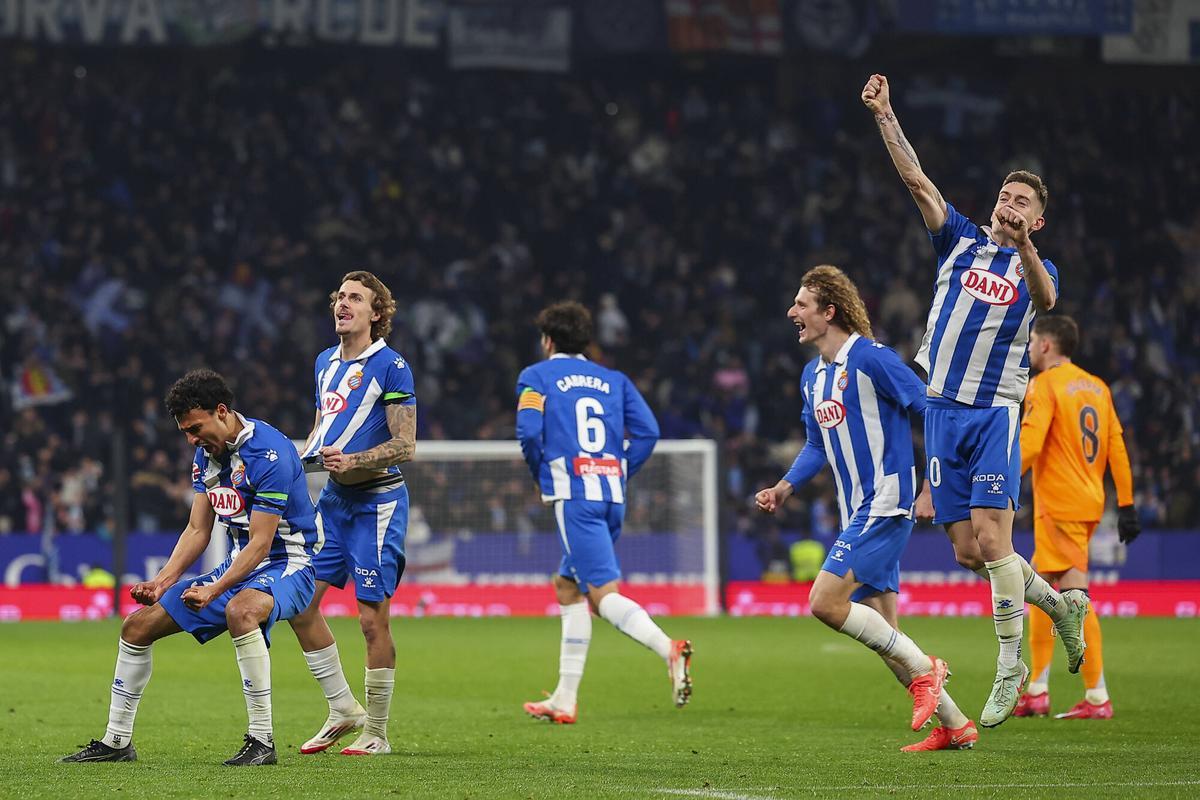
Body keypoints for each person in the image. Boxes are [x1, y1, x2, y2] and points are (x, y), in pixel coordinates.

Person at [862, 73, 1088, 728]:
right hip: (941, 410)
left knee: (994, 539)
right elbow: (918, 182)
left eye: (1023, 202)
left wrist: (1025, 248)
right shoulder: (958, 238)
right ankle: (1062, 606)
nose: (1010, 204)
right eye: (1006, 196)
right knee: (967, 550)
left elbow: (1048, 303)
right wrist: (885, 116)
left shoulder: (1035, 267)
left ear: (1037, 218)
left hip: (992, 412)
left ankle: (1011, 665)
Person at [755, 265, 977, 752]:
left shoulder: (873, 359)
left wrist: (933, 485)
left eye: (802, 304)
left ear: (828, 311)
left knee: (824, 603)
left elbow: (929, 412)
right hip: (857, 507)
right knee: (886, 636)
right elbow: (816, 443)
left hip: (887, 501)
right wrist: (785, 487)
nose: (792, 312)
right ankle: (956, 725)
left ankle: (927, 669)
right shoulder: (813, 376)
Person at [61, 369, 319, 766]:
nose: (191, 439)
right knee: (136, 627)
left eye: (195, 428)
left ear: (221, 411)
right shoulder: (206, 456)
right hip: (240, 567)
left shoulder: (269, 454)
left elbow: (261, 543)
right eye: (184, 431)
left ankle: (262, 741)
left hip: (290, 563)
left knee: (241, 611)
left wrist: (214, 590)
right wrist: (163, 581)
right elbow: (198, 529)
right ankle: (116, 742)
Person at [515, 301, 690, 724]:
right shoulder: (615, 380)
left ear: (548, 340)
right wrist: (619, 466)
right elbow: (648, 432)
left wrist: (542, 474)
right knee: (567, 586)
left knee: (601, 593)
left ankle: (668, 647)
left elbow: (528, 431)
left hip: (574, 493)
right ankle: (564, 699)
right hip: (611, 493)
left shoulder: (536, 377)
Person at [290, 271, 418, 756]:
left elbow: (405, 445)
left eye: (355, 299)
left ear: (376, 313)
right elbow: (323, 426)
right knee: (299, 603)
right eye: (340, 297)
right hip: (334, 504)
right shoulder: (324, 362)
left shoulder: (392, 366)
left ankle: (378, 734)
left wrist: (355, 459)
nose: (343, 304)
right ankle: (343, 707)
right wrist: (303, 456)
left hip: (377, 503)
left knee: (370, 620)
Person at [1013, 316, 1139, 720]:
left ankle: (1097, 696)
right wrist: (1127, 503)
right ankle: (1038, 689)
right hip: (1088, 501)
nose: (1029, 347)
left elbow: (1030, 443)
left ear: (1047, 345)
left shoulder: (1045, 384)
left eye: (1033, 340)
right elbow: (1116, 445)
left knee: (1073, 599)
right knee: (1039, 589)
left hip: (1060, 504)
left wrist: (995, 482)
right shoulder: (1097, 386)